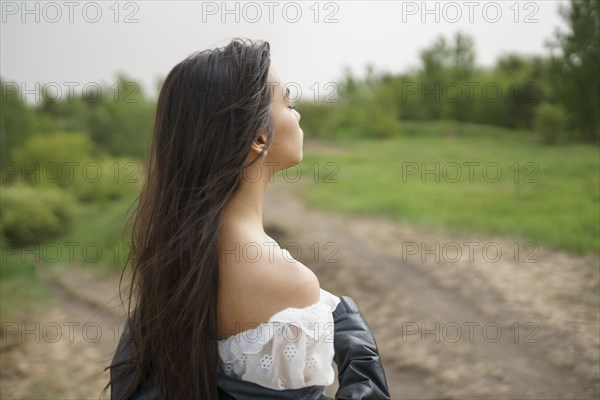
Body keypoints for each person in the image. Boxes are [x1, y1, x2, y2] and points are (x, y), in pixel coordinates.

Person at [106, 38, 391, 399]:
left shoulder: (176, 256)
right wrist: (363, 361)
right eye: (289, 103)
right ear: (258, 138)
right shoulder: (287, 283)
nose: (298, 114)